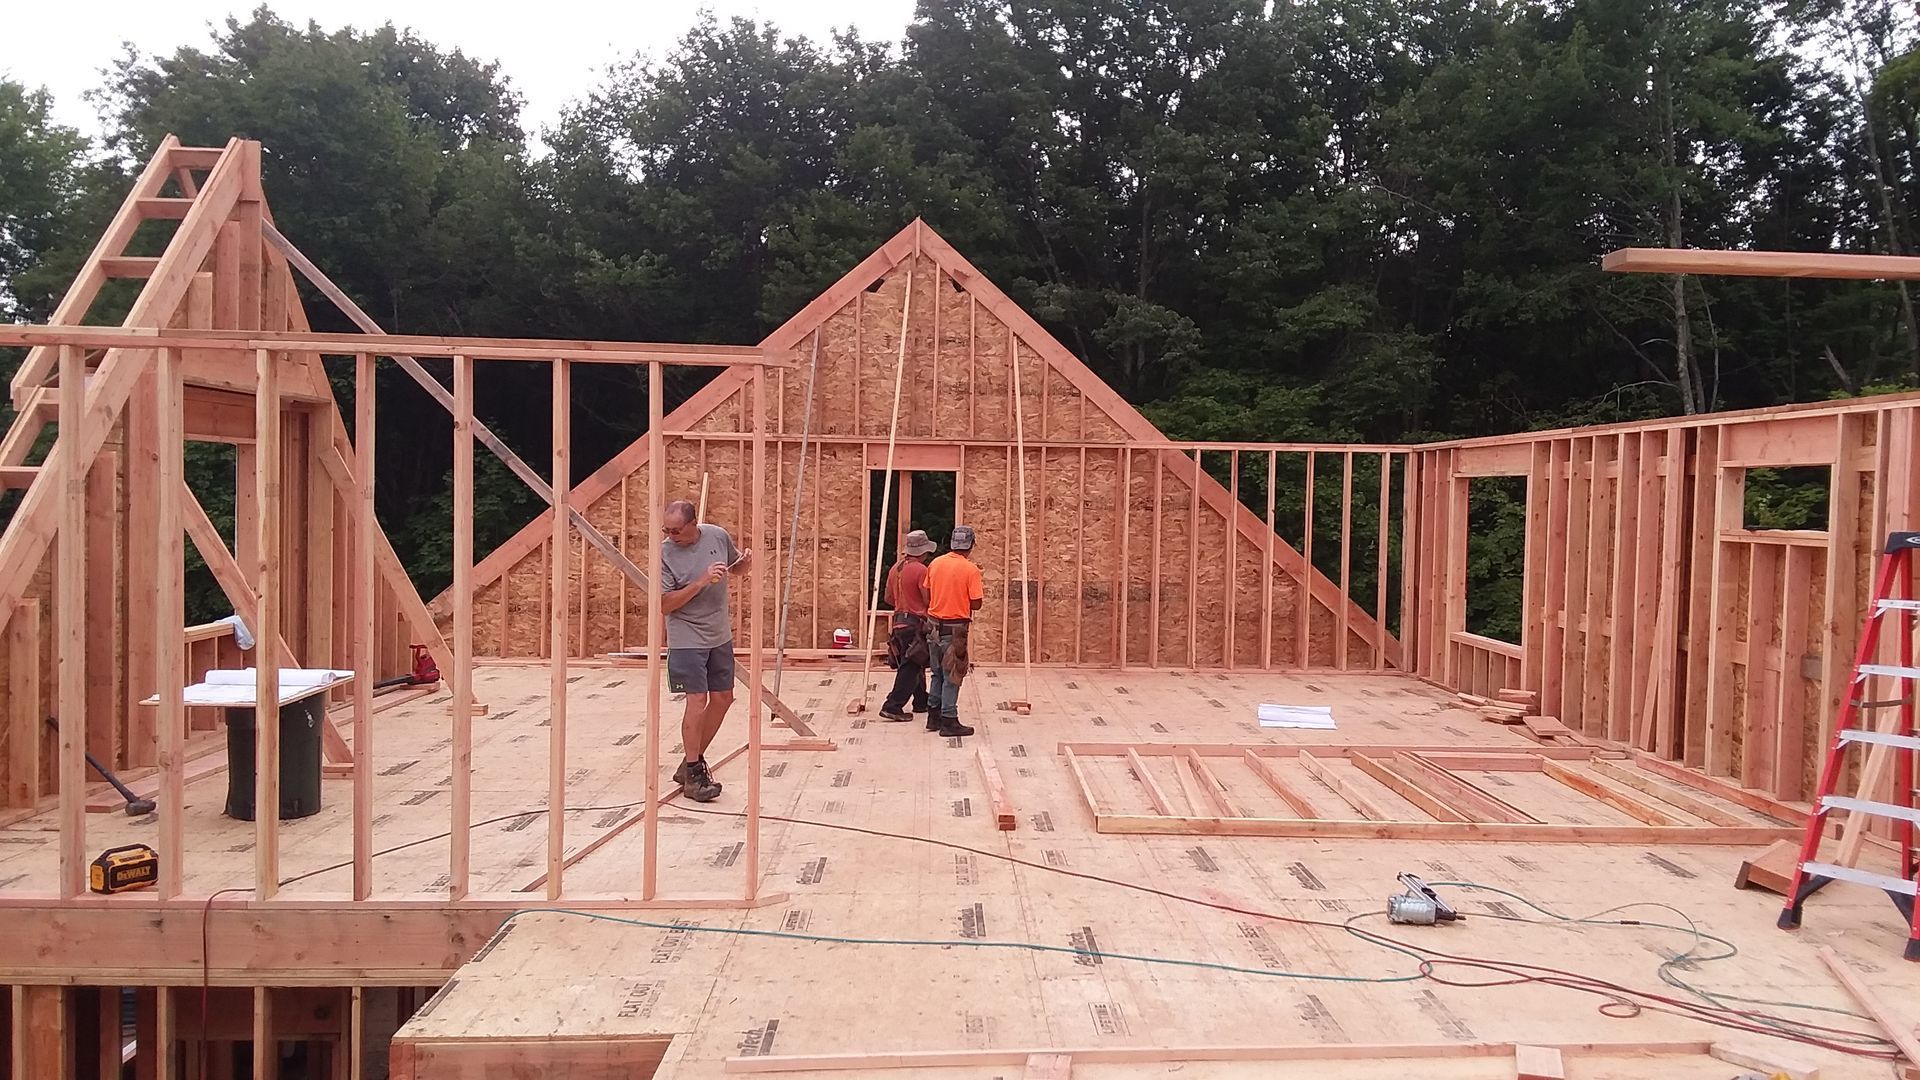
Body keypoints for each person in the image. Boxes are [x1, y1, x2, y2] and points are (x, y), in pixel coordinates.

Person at [658, 499, 752, 802]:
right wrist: (700, 581)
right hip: (686, 637)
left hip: (718, 633)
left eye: (676, 530)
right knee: (697, 699)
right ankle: (694, 773)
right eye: (666, 530)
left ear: (693, 523)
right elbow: (665, 605)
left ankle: (690, 764)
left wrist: (745, 563)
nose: (670, 535)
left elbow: (737, 569)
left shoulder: (716, 536)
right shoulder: (665, 553)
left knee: (723, 698)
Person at [923, 525, 983, 738]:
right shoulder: (970, 570)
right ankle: (948, 720)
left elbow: (926, 594)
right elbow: (976, 603)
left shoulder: (936, 563)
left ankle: (933, 716)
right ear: (971, 545)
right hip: (955, 628)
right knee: (953, 674)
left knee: (937, 672)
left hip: (933, 626)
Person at [878, 529, 937, 722]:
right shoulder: (921, 570)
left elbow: (888, 597)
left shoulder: (896, 568)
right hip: (915, 623)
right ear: (923, 551)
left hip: (899, 622)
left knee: (914, 660)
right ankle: (892, 706)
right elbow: (927, 599)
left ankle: (921, 701)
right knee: (910, 666)